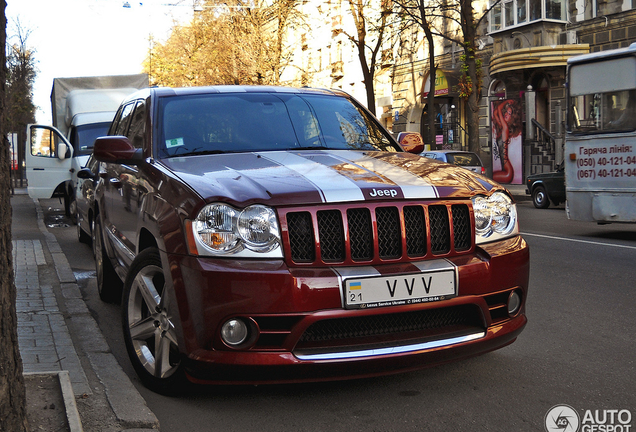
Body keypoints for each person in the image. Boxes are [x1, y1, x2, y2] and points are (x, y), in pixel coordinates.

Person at [492, 100, 522, 184]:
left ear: (511, 118)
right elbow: (495, 113)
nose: (506, 114)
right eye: (506, 112)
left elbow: (498, 108)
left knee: (490, 180)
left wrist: (507, 101)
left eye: (509, 114)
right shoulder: (502, 127)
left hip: (507, 172)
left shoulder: (505, 128)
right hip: (505, 170)